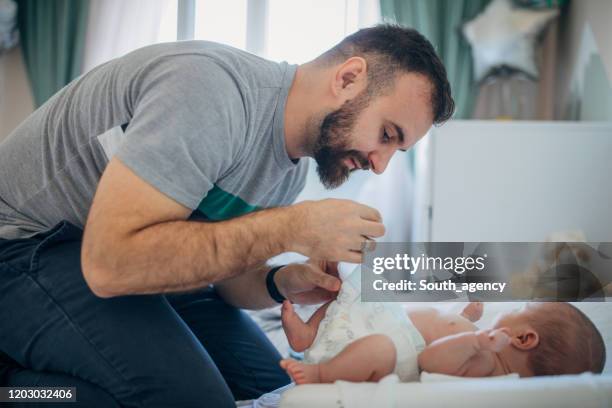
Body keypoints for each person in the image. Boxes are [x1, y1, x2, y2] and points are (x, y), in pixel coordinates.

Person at [0, 24, 453, 407]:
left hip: (136, 268)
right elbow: (109, 265)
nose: (381, 163)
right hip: (29, 247)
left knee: (279, 394)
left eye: (398, 149)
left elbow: (224, 275)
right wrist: (292, 227)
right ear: (349, 77)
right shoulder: (210, 90)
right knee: (191, 401)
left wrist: (282, 281)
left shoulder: (288, 171)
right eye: (387, 135)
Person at [280, 297, 606, 384]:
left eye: (521, 309)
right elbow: (450, 330)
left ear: (524, 338)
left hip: (394, 349)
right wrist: (466, 317)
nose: (513, 309)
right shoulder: (486, 347)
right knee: (357, 294)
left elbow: (431, 361)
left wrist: (476, 341)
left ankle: (321, 374)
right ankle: (307, 334)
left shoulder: (488, 363)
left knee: (377, 348)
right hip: (389, 322)